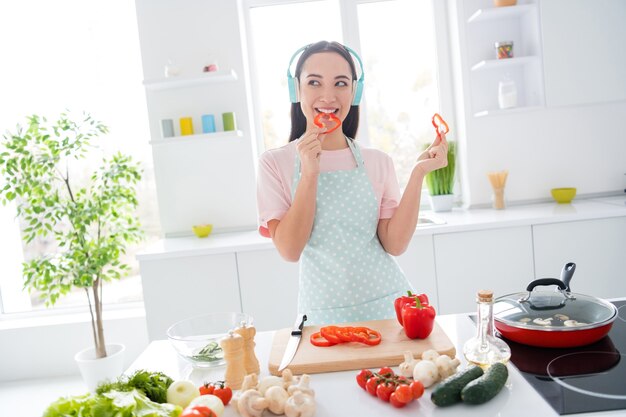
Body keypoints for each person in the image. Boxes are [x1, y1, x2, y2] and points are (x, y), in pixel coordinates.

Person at [256, 41, 448, 325]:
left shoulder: (377, 161)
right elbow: (289, 250)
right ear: (296, 89)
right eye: (314, 82)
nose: (328, 96)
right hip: (323, 316)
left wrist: (419, 173)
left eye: (341, 83)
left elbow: (394, 244)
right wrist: (309, 173)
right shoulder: (274, 163)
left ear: (354, 92)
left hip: (389, 308)